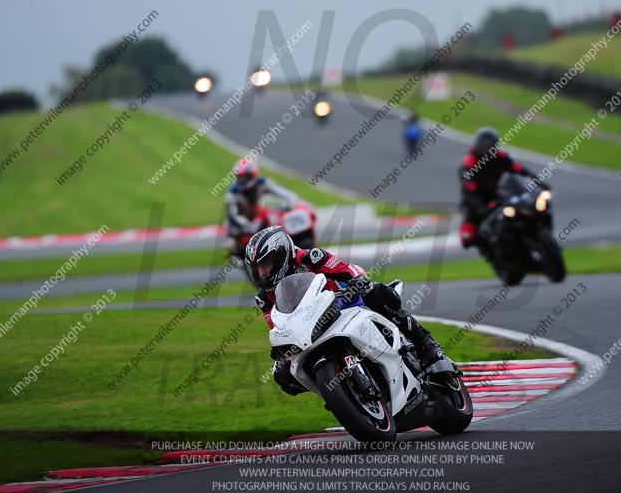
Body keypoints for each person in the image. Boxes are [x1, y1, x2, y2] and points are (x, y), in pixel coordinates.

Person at [245, 225, 445, 396]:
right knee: (281, 372)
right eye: (258, 268)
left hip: (345, 304)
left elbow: (349, 268)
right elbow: (278, 325)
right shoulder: (264, 298)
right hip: (311, 327)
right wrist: (281, 349)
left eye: (266, 265)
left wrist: (357, 281)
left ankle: (425, 342)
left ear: (281, 255)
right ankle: (339, 392)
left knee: (377, 292)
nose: (262, 273)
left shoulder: (310, 258)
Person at [458, 127, 542, 257]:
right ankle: (487, 247)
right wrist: (481, 207)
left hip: (500, 194)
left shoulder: (502, 157)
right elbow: (468, 188)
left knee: (530, 208)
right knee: (468, 237)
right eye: (485, 147)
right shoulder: (469, 162)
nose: (488, 150)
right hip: (477, 198)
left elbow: (520, 170)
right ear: (478, 146)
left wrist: (540, 184)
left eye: (491, 147)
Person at [225, 159, 298, 253]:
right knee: (229, 245)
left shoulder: (263, 183)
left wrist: (293, 202)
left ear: (251, 174)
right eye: (239, 177)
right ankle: (241, 257)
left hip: (260, 217)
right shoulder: (232, 193)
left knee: (278, 220)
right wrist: (246, 225)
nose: (241, 180)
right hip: (241, 222)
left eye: (244, 177)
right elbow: (233, 215)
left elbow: (284, 193)